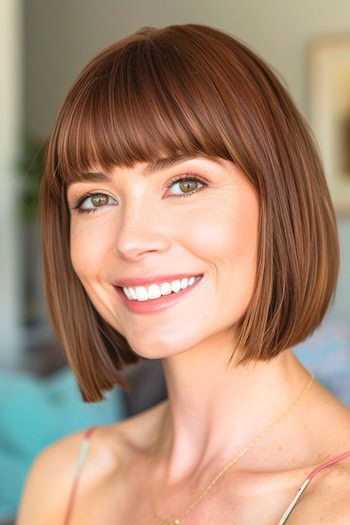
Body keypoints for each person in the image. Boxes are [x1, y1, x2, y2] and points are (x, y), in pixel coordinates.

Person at [17, 23, 350, 524]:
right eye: (96, 198)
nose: (130, 239)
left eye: (185, 183)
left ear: (280, 200)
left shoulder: (334, 500)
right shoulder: (67, 476)